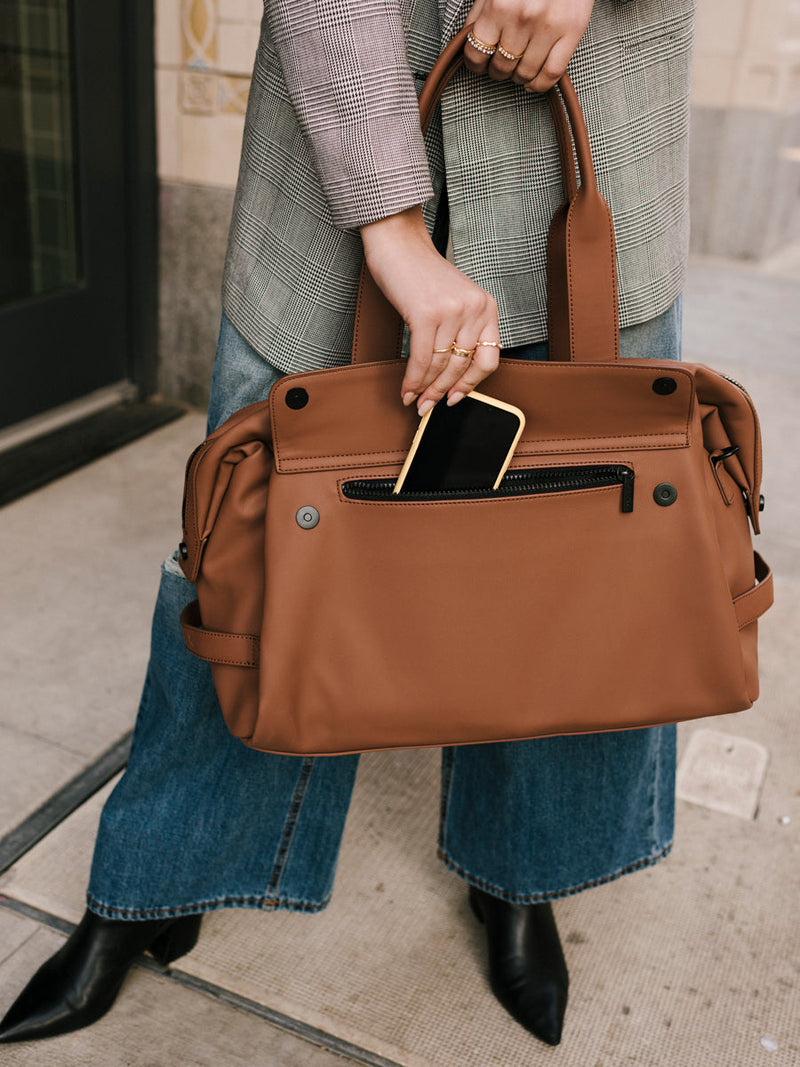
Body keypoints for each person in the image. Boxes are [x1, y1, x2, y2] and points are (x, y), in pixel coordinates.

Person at [0, 0, 694, 1049]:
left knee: (580, 560)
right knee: (244, 558)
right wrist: (390, 225)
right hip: (335, 158)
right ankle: (160, 877)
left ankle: (521, 862)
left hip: (597, 131)